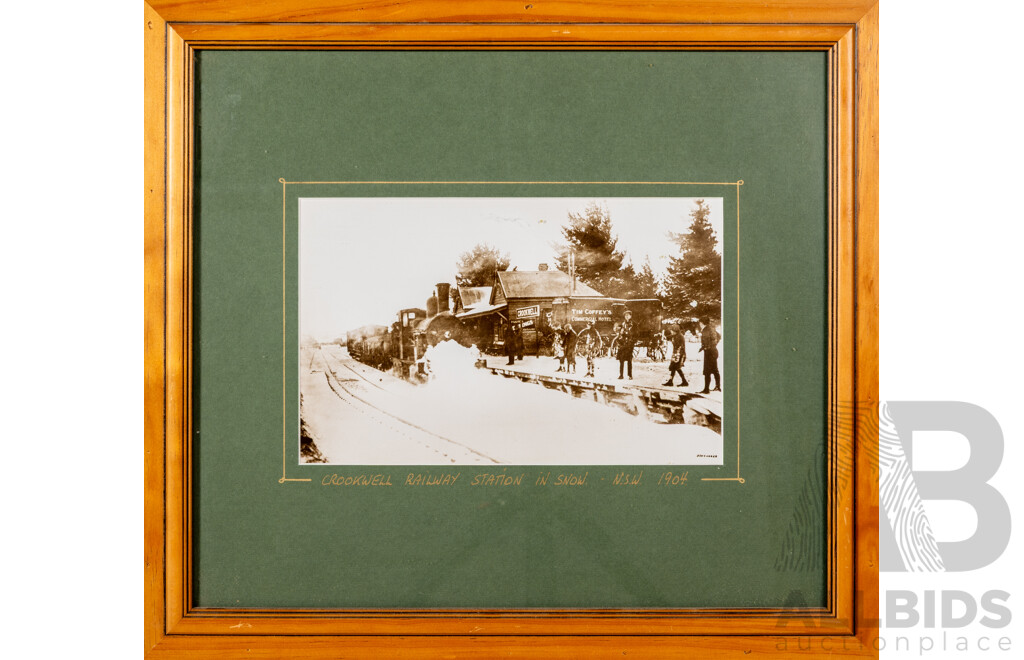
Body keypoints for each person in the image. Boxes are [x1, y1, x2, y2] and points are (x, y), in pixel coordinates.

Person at [699, 316, 721, 393]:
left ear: (702, 323)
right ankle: (718, 386)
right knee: (715, 369)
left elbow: (706, 341)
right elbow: (719, 336)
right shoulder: (712, 328)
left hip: (709, 353)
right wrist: (714, 345)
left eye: (700, 323)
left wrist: (706, 347)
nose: (699, 324)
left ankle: (706, 389)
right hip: (714, 351)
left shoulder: (705, 330)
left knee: (707, 371)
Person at [616, 310, 636, 379]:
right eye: (625, 315)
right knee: (621, 360)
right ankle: (621, 375)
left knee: (629, 360)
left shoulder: (634, 324)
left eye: (628, 315)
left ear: (630, 316)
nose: (627, 317)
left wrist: (632, 341)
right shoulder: (623, 324)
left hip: (629, 345)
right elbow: (620, 333)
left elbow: (636, 334)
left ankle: (630, 375)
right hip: (623, 344)